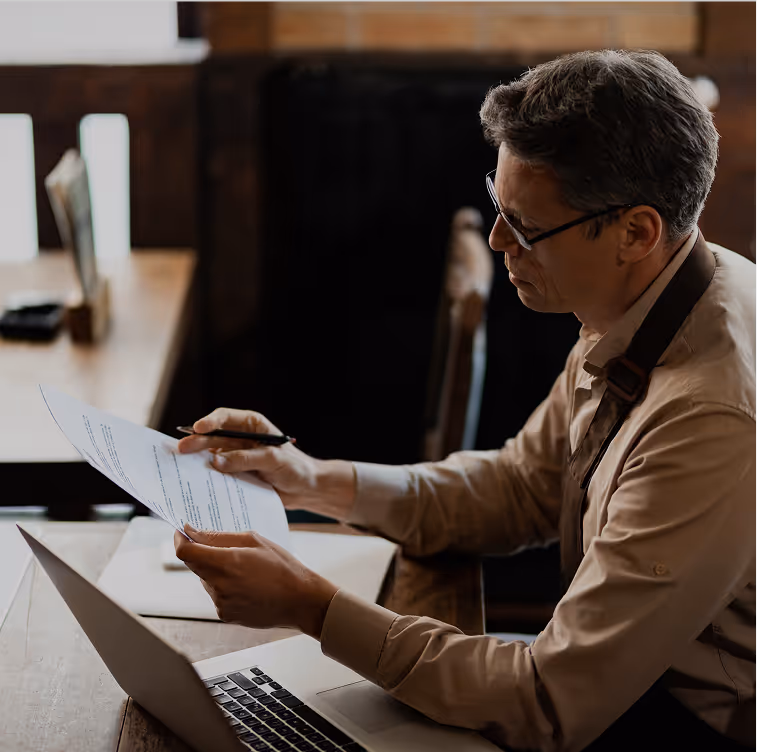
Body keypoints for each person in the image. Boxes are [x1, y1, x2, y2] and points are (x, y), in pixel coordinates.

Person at [174, 49, 755, 751]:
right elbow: (517, 488)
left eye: (529, 227)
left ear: (635, 232)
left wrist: (310, 606)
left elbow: (547, 703)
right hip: (614, 685)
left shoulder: (709, 415)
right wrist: (310, 479)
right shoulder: (654, 293)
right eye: (498, 206)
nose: (498, 239)